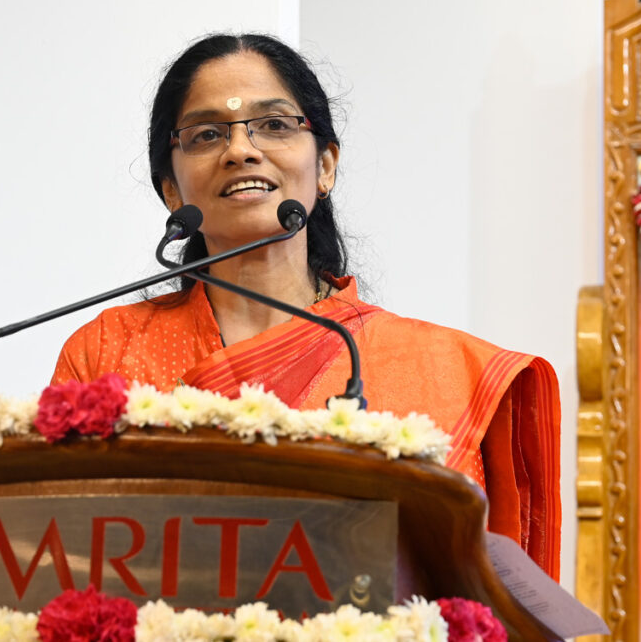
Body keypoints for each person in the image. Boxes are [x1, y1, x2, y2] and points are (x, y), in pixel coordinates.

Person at [51, 33, 561, 580]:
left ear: (325, 167)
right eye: (205, 134)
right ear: (172, 190)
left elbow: (480, 603)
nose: (241, 150)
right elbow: (63, 561)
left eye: (274, 125)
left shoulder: (450, 371)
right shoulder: (109, 352)